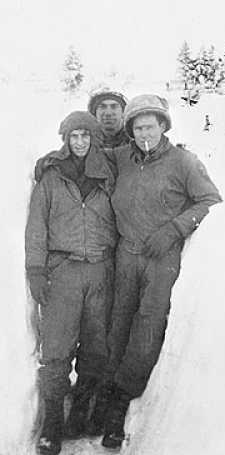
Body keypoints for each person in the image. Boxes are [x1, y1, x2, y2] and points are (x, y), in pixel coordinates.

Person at [92, 94, 222, 450]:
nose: (144, 131)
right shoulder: (121, 158)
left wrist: (174, 230)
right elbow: (84, 156)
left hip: (161, 257)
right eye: (137, 126)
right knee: (118, 322)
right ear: (130, 132)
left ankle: (121, 398)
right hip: (126, 253)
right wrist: (51, 162)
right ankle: (104, 390)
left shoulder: (184, 162)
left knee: (148, 323)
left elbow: (209, 200)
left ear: (164, 126)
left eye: (150, 124)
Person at [25, 111, 117, 455]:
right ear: (65, 139)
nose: (79, 142)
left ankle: (80, 410)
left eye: (85, 136)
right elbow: (36, 227)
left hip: (100, 270)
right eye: (73, 136)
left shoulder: (108, 175)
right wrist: (36, 269)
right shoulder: (51, 176)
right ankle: (52, 423)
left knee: (96, 347)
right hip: (63, 270)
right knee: (57, 348)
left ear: (94, 139)